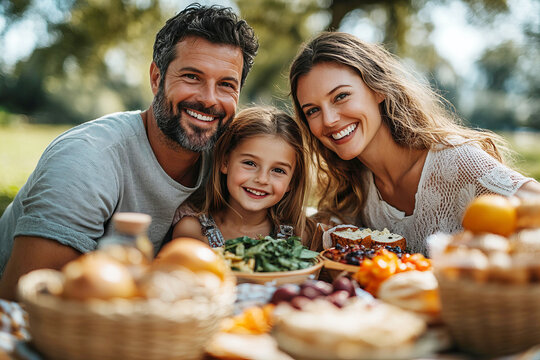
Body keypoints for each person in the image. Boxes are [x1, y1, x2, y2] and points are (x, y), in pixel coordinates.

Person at [0, 3, 258, 300]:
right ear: (156, 78)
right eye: (191, 77)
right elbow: (28, 306)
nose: (209, 99)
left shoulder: (229, 163)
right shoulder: (86, 160)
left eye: (226, 84)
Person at [289, 31, 540, 255]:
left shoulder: (457, 161)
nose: (329, 120)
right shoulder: (358, 187)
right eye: (312, 111)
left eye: (341, 96)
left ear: (378, 89)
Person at [171, 106, 310, 247]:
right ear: (225, 162)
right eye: (250, 163)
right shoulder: (192, 232)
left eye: (278, 170)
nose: (262, 179)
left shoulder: (298, 238)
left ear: (292, 181)